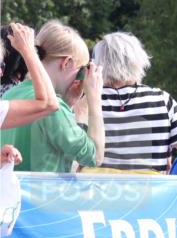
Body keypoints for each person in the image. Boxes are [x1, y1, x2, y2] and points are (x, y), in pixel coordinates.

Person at [94, 32, 177, 176]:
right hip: (149, 195)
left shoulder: (87, 101)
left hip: (98, 195)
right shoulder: (161, 101)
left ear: (99, 63)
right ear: (138, 61)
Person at [0, 21, 105, 172]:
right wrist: (94, 100)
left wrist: (68, 104)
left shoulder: (10, 94)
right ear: (67, 63)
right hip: (44, 195)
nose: (81, 78)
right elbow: (95, 157)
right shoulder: (54, 108)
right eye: (81, 71)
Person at [0, 23, 59, 129]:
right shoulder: (20, 93)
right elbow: (49, 104)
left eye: (2, 65)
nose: (1, 72)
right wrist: (28, 50)